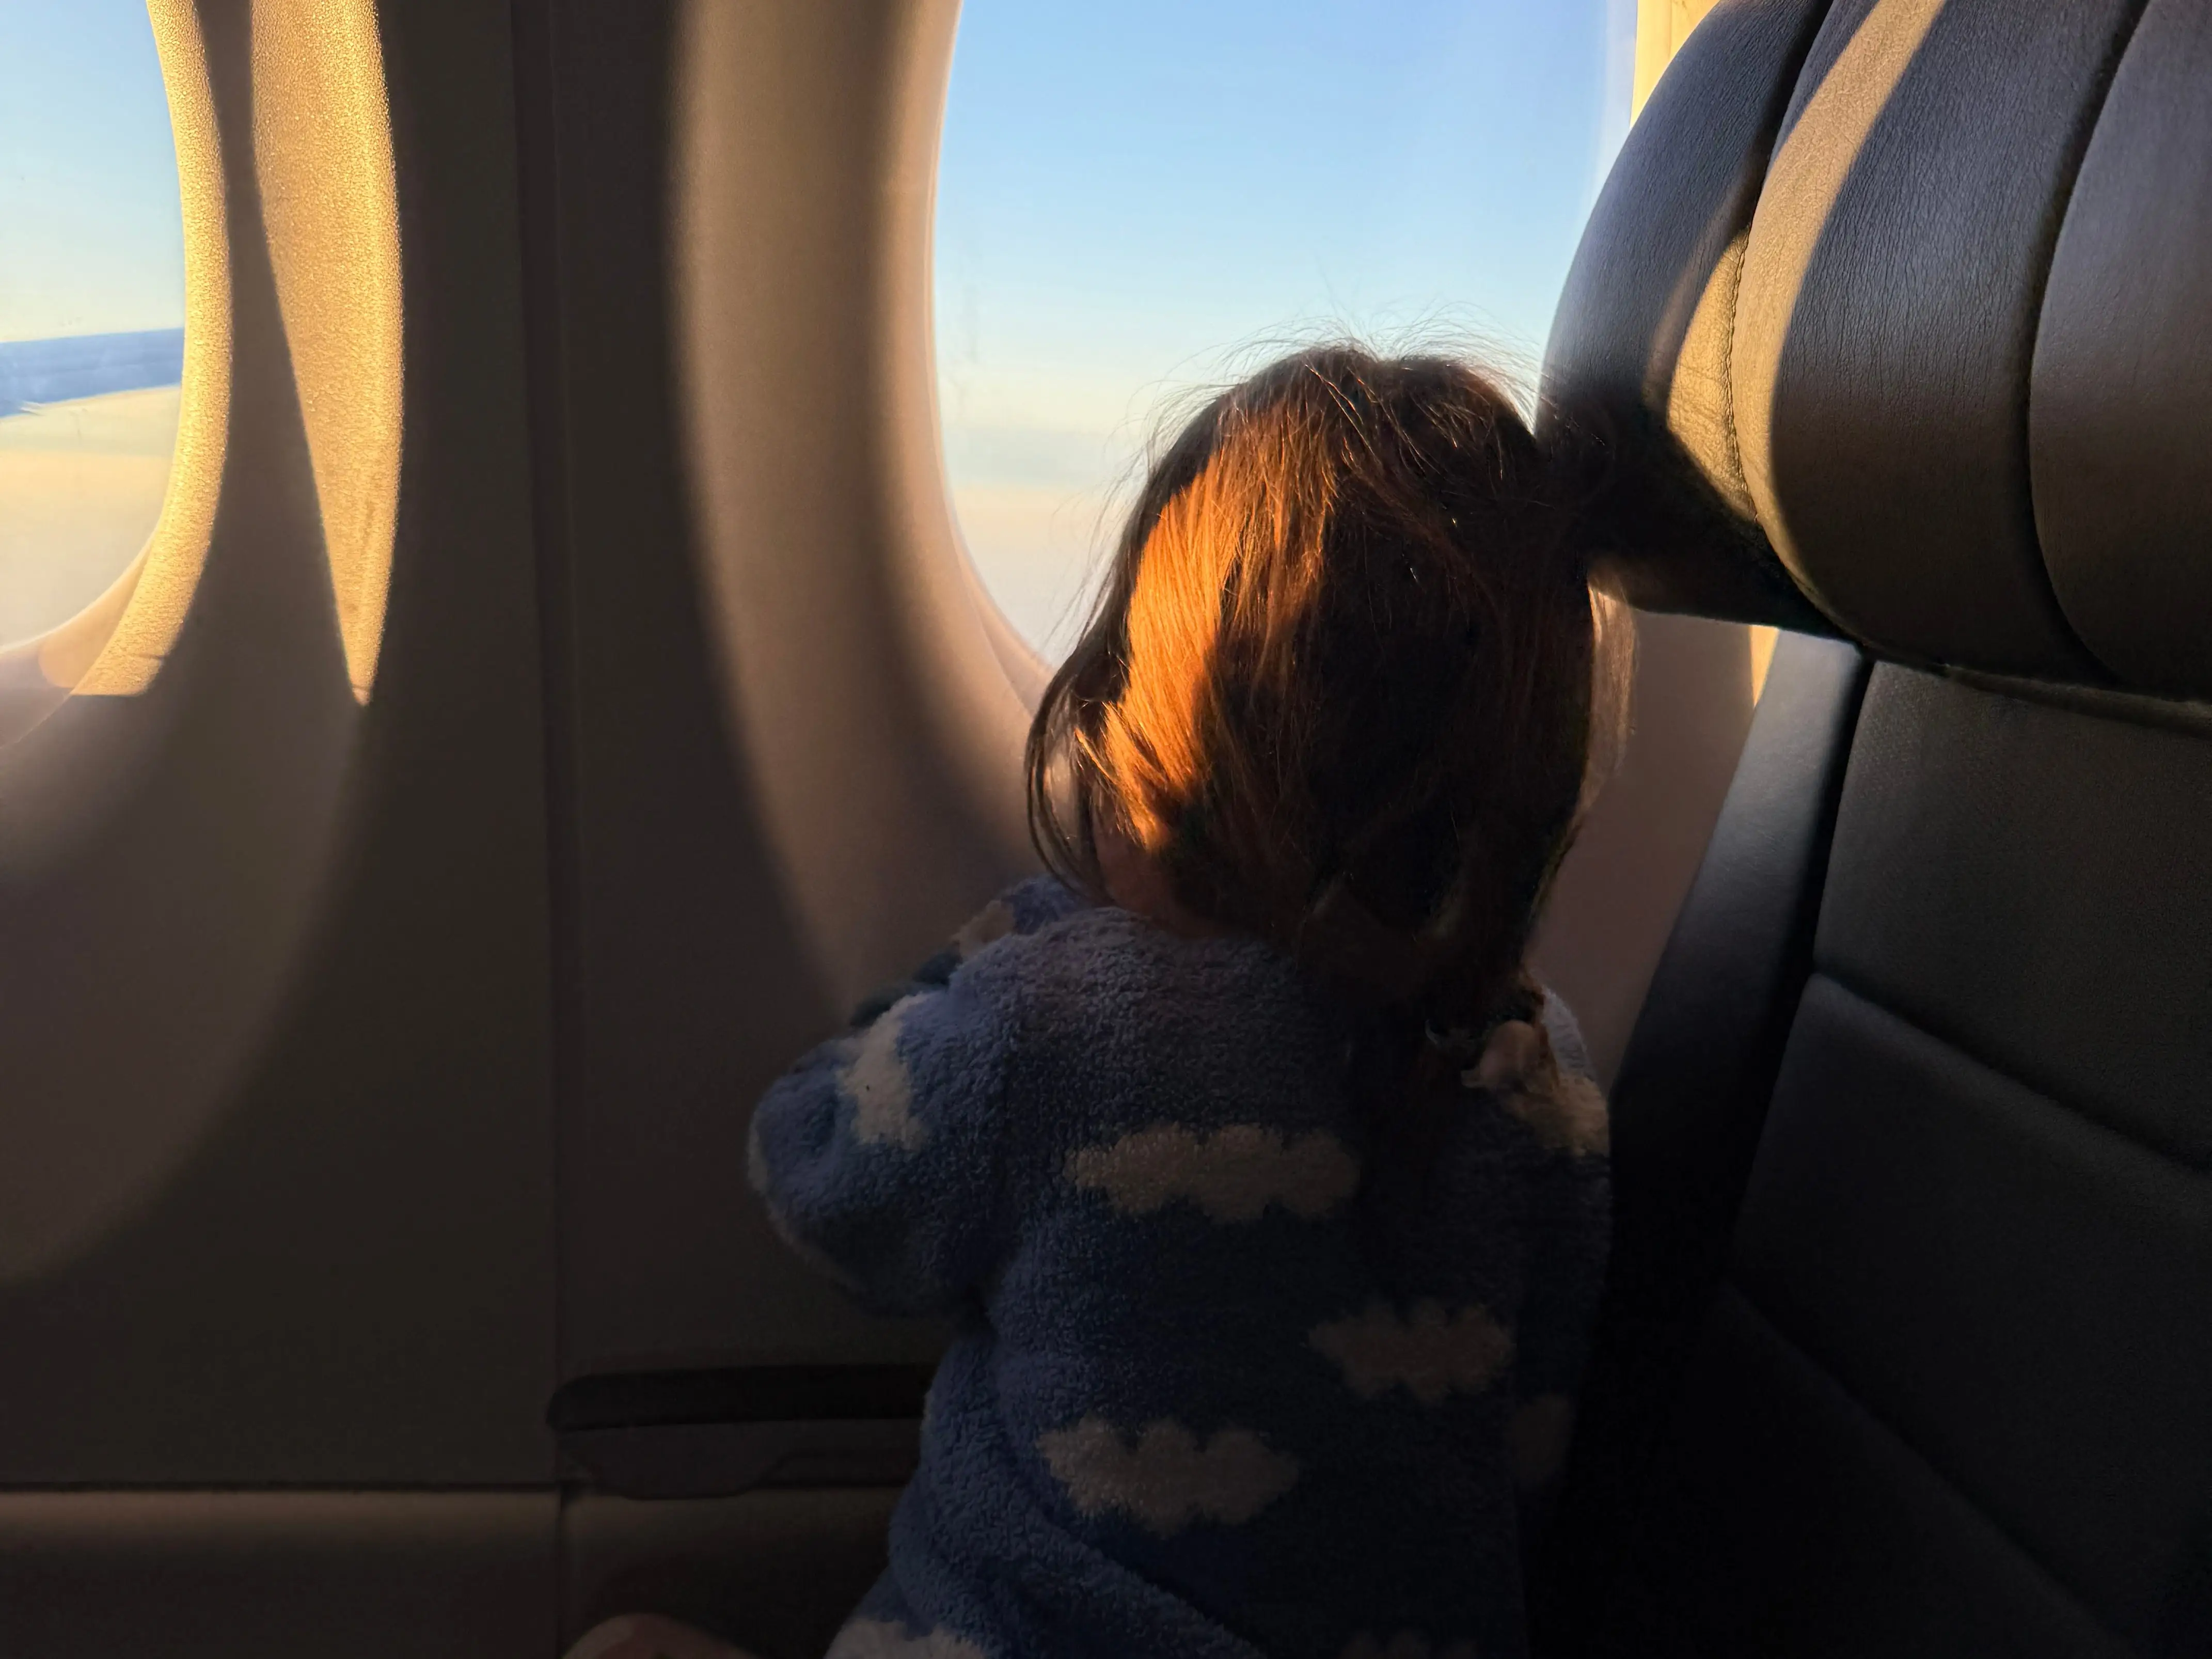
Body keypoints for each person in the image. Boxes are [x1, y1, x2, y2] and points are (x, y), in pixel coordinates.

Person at [571, 344, 1628, 1659]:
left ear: (1165, 738)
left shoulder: (1059, 1025)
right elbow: (1527, 1459)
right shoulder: (1549, 1084)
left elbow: (817, 1174)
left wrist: (999, 950)